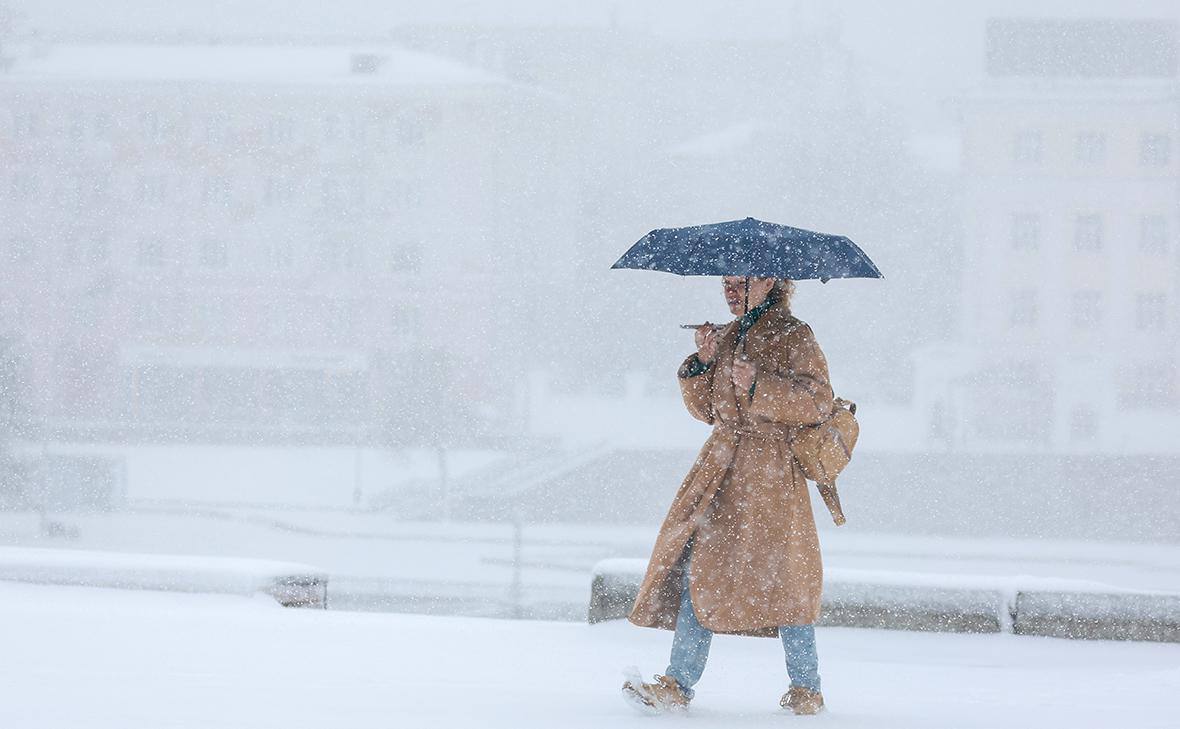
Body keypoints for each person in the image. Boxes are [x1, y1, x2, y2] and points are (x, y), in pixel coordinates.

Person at [622, 275, 834, 716]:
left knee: (787, 580)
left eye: (741, 282)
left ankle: (807, 689)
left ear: (770, 282)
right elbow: (707, 412)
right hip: (720, 471)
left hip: (772, 476)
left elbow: (818, 402)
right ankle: (677, 684)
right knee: (702, 572)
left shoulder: (795, 335)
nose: (730, 291)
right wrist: (703, 362)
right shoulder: (729, 335)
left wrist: (760, 383)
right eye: (726, 282)